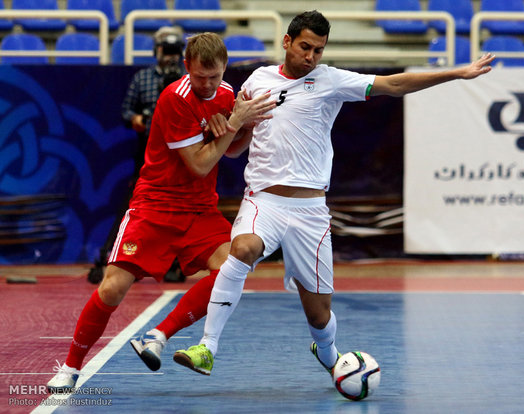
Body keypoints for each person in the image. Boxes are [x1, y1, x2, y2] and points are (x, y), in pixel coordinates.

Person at [173, 10, 495, 378]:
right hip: (264, 199)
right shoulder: (257, 80)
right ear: (287, 42)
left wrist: (456, 73)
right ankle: (207, 347)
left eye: (318, 50)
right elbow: (233, 150)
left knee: (319, 314)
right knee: (243, 250)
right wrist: (232, 126)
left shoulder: (332, 81)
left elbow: (395, 84)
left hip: (310, 211)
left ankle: (328, 353)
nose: (310, 56)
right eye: (305, 47)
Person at [46, 32, 276, 393]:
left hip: (199, 210)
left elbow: (230, 152)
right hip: (155, 206)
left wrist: (246, 126)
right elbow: (200, 165)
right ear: (186, 67)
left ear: (224, 69)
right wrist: (233, 125)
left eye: (214, 76)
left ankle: (159, 334)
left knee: (233, 268)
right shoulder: (174, 98)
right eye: (200, 76)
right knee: (111, 289)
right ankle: (71, 368)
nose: (207, 84)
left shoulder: (228, 95)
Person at [89, 26, 189, 284]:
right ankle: (115, 258)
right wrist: (137, 119)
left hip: (180, 152)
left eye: (175, 51)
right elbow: (126, 111)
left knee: (178, 205)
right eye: (166, 51)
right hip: (147, 151)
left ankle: (173, 263)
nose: (171, 57)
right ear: (156, 51)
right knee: (135, 202)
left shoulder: (187, 80)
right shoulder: (143, 78)